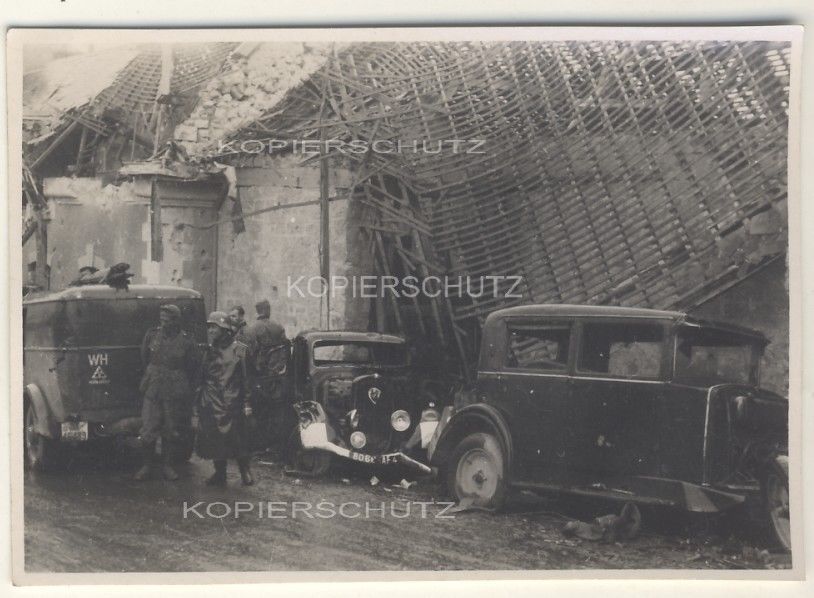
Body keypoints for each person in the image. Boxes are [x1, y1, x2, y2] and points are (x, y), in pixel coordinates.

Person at [134, 304, 199, 481]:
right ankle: (146, 465)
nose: (163, 323)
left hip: (174, 390)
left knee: (171, 429)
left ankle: (167, 465)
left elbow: (193, 366)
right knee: (148, 428)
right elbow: (144, 357)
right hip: (153, 388)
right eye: (161, 320)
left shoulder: (187, 341)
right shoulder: (152, 335)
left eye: (167, 320)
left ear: (176, 322)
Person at [194, 311, 255, 487]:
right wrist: (199, 401)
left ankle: (245, 471)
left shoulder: (240, 350)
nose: (211, 331)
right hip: (211, 401)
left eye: (215, 328)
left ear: (225, 330)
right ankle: (220, 473)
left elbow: (247, 380)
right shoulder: (209, 351)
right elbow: (202, 377)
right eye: (210, 328)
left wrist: (247, 403)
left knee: (238, 439)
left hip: (232, 402)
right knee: (213, 440)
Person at [244, 299, 290, 454]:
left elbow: (249, 355)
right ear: (267, 310)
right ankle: (273, 445)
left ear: (258, 311)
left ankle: (258, 446)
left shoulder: (252, 329)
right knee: (275, 412)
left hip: (259, 377)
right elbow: (285, 350)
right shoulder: (279, 327)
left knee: (259, 411)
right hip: (277, 376)